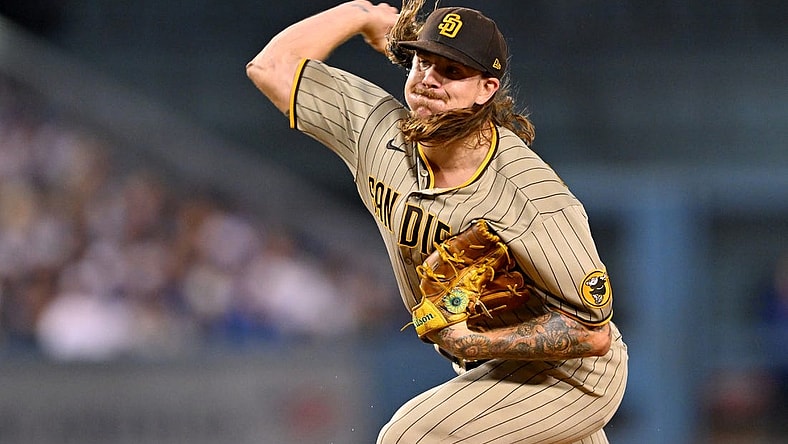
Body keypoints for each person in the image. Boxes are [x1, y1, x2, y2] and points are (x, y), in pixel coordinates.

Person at [246, 1, 628, 442]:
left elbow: (592, 333)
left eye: (450, 70)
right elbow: (271, 66)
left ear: (486, 88)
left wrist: (473, 343)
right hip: (495, 371)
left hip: (573, 378)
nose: (428, 78)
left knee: (413, 438)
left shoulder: (531, 198)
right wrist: (361, 14)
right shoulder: (377, 131)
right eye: (422, 62)